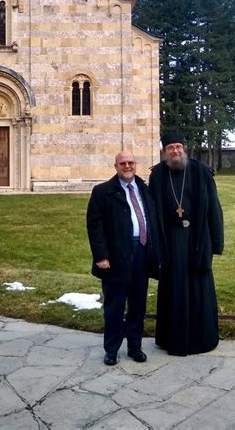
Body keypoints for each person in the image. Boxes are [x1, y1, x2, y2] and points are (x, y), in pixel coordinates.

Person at [149, 132, 224, 356]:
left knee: (198, 287)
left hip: (196, 239)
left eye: (178, 147)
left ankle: (202, 339)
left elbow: (214, 209)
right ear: (165, 152)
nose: (175, 151)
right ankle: (171, 338)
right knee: (173, 287)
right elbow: (152, 213)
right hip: (170, 240)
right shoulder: (158, 175)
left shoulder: (201, 172)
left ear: (185, 149)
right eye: (170, 148)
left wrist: (217, 243)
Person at [86, 150, 161, 365]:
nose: (127, 166)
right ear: (115, 166)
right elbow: (95, 226)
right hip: (116, 257)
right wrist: (101, 256)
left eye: (131, 162)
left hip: (142, 253)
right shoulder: (103, 191)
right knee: (115, 306)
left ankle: (135, 347)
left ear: (135, 165)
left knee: (138, 305)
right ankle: (111, 349)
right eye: (123, 163)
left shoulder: (144, 189)